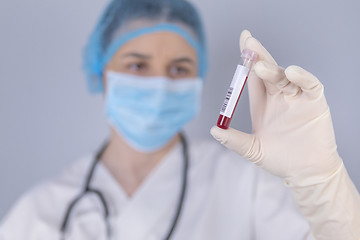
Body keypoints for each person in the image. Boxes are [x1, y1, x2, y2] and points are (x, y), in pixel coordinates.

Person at [1, 0, 359, 239]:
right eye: (137, 65)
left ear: (197, 78)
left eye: (179, 68)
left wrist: (320, 180)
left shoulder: (245, 185)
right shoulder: (40, 211)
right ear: (101, 71)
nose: (159, 84)